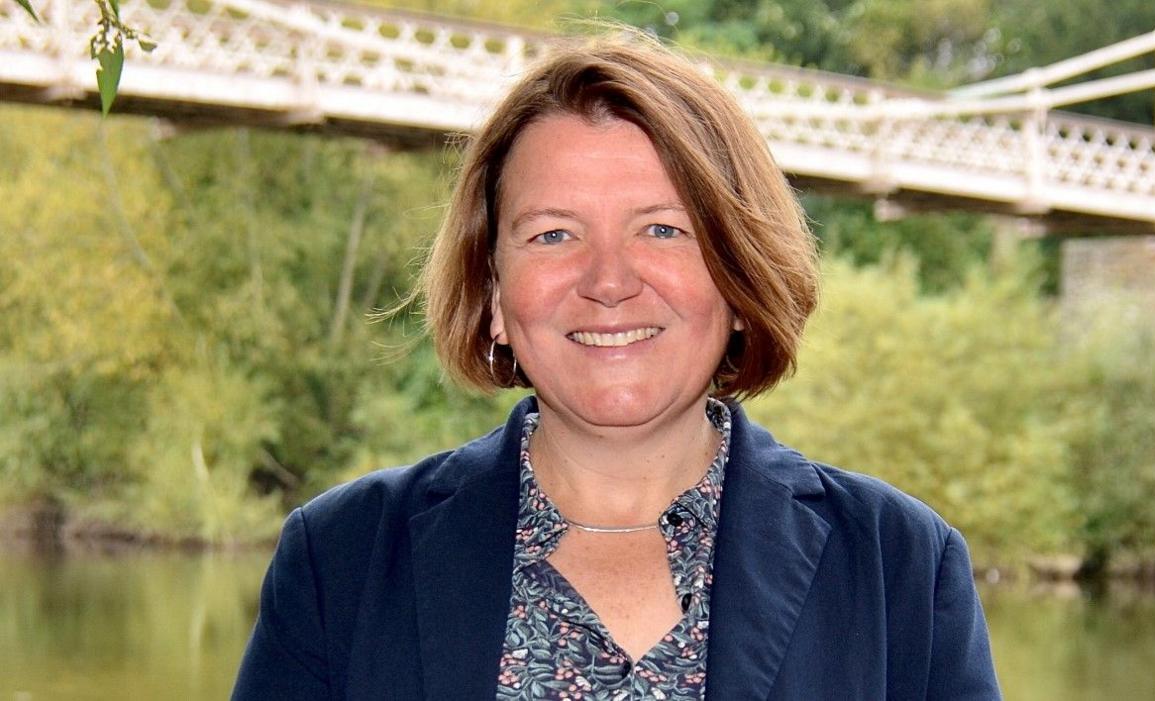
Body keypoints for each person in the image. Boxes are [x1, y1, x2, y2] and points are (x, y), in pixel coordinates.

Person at [232, 33, 1000, 701]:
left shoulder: (900, 566)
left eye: (663, 229)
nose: (608, 280)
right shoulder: (343, 559)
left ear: (738, 280)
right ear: (493, 291)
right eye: (553, 235)